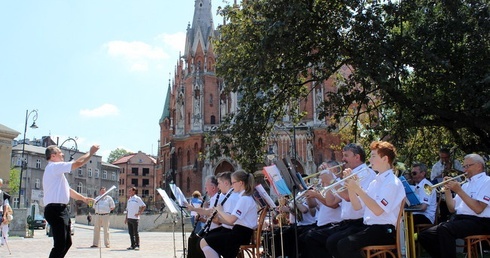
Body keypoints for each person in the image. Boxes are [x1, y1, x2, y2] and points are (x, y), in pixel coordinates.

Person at [334, 141, 405, 258]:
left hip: (384, 229)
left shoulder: (392, 182)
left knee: (345, 245)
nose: (370, 160)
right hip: (371, 227)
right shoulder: (374, 182)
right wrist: (351, 186)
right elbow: (357, 206)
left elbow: (378, 210)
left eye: (373, 156)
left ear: (385, 159)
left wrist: (358, 189)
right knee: (334, 242)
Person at [419, 153, 490, 258]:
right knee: (425, 235)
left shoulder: (487, 182)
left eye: (467, 166)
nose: (464, 169)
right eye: (464, 166)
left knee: (445, 229)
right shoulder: (466, 184)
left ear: (479, 166)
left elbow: (478, 209)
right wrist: (447, 190)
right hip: (461, 220)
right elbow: (452, 208)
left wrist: (459, 190)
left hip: (480, 221)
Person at [43, 144, 99, 258]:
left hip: (61, 210)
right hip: (55, 210)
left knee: (67, 243)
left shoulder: (57, 173)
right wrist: (90, 153)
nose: (62, 154)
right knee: (60, 245)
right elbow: (78, 163)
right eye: (60, 152)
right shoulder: (54, 167)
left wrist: (84, 199)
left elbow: (69, 191)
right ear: (53, 156)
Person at [323, 143, 377, 258]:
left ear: (357, 157)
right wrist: (328, 183)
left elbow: (348, 197)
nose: (343, 159)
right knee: (320, 238)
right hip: (347, 224)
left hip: (359, 222)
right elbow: (332, 201)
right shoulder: (349, 174)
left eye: (346, 155)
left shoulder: (366, 173)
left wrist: (332, 181)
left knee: (335, 242)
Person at [200, 170, 257, 258]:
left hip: (241, 234)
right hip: (239, 232)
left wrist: (220, 211)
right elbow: (233, 219)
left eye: (233, 182)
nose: (232, 185)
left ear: (241, 183)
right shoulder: (243, 197)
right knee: (204, 241)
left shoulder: (244, 199)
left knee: (205, 242)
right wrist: (217, 218)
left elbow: (231, 219)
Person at [300, 160, 343, 258]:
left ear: (335, 169)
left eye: (325, 169)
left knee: (310, 238)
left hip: (334, 224)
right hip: (322, 224)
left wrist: (317, 195)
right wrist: (308, 195)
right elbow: (313, 205)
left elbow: (333, 205)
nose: (322, 173)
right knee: (303, 238)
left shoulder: (338, 184)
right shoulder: (322, 186)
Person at [125, 186, 146, 251]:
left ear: (134, 191)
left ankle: (137, 245)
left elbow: (143, 206)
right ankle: (132, 245)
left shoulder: (137, 198)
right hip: (129, 218)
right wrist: (126, 218)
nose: (129, 192)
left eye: (130, 191)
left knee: (135, 232)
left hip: (135, 218)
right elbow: (127, 210)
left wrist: (139, 213)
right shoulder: (129, 199)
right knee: (130, 232)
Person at [0, 178, 12, 246]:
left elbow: (6, 205)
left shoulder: (3, 194)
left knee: (4, 228)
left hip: (1, 213)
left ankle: (3, 241)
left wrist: (4, 215)